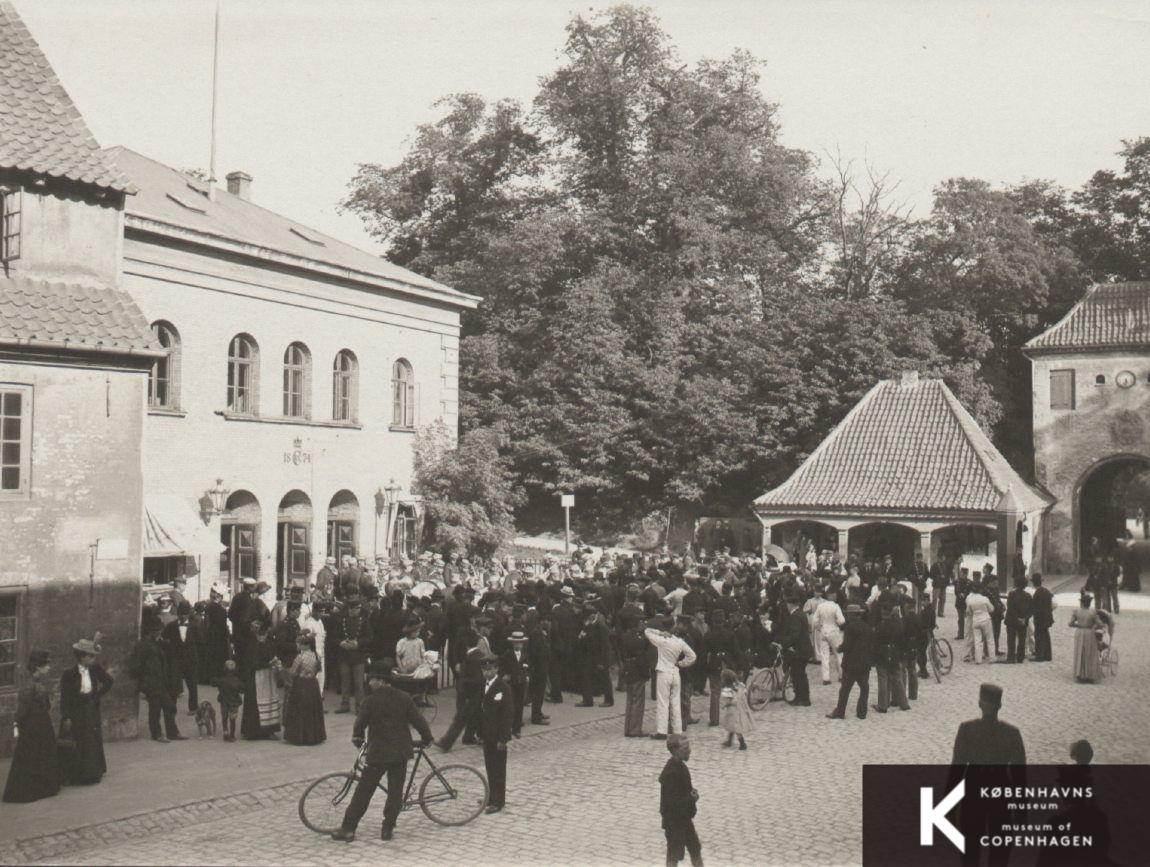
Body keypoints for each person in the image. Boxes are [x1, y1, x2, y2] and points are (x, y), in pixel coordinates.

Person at [330, 660, 434, 843]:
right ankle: (387, 829)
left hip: (378, 754)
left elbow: (359, 726)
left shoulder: (369, 701)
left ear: (380, 681)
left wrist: (358, 740)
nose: (369, 683)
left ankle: (348, 829)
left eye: (372, 680)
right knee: (395, 792)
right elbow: (418, 720)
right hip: (400, 752)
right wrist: (427, 738)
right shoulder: (404, 697)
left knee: (364, 791)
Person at [949, 683, 1026, 867]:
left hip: (974, 786)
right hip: (1000, 789)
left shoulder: (967, 729)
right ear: (1000, 705)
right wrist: (1021, 809)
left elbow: (957, 768)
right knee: (1000, 850)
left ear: (979, 704)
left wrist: (949, 804)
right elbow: (1019, 774)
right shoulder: (1011, 733)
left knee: (970, 848)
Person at [3, 651, 61, 803]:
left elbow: (45, 704)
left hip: (42, 723)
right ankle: (30, 790)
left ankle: (43, 788)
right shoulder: (28, 685)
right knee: (31, 755)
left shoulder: (38, 682)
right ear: (38, 667)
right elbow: (23, 709)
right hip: (32, 725)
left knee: (42, 754)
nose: (48, 668)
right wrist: (18, 723)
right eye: (46, 665)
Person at [59, 637, 114, 784]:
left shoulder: (95, 669)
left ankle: (93, 773)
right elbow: (65, 697)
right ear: (82, 656)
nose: (93, 659)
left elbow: (109, 682)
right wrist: (66, 717)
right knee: (78, 741)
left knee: (92, 741)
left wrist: (97, 696)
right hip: (76, 711)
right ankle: (77, 775)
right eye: (90, 656)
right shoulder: (69, 674)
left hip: (90, 709)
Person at [131, 624, 186, 743]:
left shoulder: (155, 643)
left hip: (159, 680)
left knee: (169, 706)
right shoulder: (143, 645)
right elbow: (137, 665)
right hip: (150, 681)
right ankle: (157, 734)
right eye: (158, 631)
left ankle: (171, 732)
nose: (160, 634)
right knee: (155, 708)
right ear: (151, 632)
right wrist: (142, 682)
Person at [645, 616, 697, 739]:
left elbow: (647, 631)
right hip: (675, 672)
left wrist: (659, 632)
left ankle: (662, 731)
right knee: (675, 702)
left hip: (664, 672)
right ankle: (677, 730)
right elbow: (693, 656)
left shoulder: (661, 640)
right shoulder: (679, 641)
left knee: (663, 702)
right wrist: (681, 664)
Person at [659, 735, 703, 867]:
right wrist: (692, 798)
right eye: (685, 748)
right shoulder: (671, 773)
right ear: (676, 750)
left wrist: (690, 793)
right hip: (674, 821)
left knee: (695, 848)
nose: (689, 750)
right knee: (674, 854)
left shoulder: (681, 767)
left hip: (683, 818)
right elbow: (672, 803)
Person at [479, 652, 514, 814]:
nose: (487, 673)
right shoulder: (484, 685)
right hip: (487, 735)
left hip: (498, 736)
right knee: (490, 767)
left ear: (497, 669)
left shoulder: (503, 688)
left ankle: (498, 801)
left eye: (491, 669)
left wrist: (504, 739)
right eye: (485, 670)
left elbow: (507, 715)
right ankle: (492, 796)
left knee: (499, 769)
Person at [827, 604, 873, 720]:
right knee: (864, 688)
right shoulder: (867, 627)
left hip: (851, 663)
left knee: (845, 689)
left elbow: (847, 645)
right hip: (864, 662)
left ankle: (840, 711)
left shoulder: (850, 627)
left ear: (851, 615)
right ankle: (862, 712)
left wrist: (839, 648)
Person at [240, 620, 282, 739]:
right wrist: (267, 663)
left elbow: (274, 654)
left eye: (264, 635)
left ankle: (269, 730)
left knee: (269, 702)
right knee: (254, 702)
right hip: (256, 677)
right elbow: (250, 662)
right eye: (261, 635)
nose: (263, 637)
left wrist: (275, 662)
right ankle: (252, 731)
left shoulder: (269, 642)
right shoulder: (251, 644)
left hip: (268, 677)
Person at [284, 632, 326, 746]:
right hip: (313, 684)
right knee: (312, 710)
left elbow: (292, 672)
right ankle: (314, 736)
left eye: (299, 644)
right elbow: (318, 670)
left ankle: (300, 737)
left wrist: (281, 669)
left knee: (300, 710)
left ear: (304, 645)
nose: (297, 646)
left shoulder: (300, 657)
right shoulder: (316, 655)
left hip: (301, 684)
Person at [332, 596, 372, 714]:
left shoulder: (364, 621)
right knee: (345, 681)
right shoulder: (341, 620)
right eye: (352, 609)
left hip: (358, 656)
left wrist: (358, 643)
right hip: (344, 655)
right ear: (349, 609)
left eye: (357, 609)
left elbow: (369, 637)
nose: (355, 611)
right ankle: (345, 704)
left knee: (359, 683)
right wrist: (340, 642)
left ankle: (359, 706)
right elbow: (334, 636)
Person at [161, 601, 201, 714]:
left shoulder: (194, 626)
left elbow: (200, 642)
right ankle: (172, 707)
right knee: (173, 685)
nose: (183, 616)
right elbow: (163, 639)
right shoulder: (171, 626)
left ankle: (193, 708)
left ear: (189, 614)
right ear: (177, 614)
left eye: (185, 614)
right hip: (175, 660)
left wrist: (196, 656)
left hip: (190, 660)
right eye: (181, 614)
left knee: (192, 684)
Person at [872, 603, 909, 713]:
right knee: (897, 678)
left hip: (882, 654)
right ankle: (904, 703)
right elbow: (901, 641)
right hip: (894, 653)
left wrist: (875, 656)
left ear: (883, 613)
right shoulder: (897, 625)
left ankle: (883, 705)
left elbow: (875, 643)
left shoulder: (879, 627)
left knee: (883, 679)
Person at [619, 611, 650, 737]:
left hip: (628, 668)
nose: (644, 624)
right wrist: (646, 673)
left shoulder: (626, 636)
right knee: (638, 700)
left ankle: (628, 728)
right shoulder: (640, 639)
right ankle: (635, 729)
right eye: (642, 622)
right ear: (638, 624)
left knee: (630, 699)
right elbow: (642, 657)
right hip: (637, 670)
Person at [779, 594, 812, 706]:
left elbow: (795, 635)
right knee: (800, 674)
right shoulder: (801, 614)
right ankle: (804, 698)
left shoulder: (795, 616)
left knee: (798, 675)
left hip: (799, 650)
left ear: (790, 604)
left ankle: (801, 698)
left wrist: (784, 644)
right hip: (805, 649)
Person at [499, 630, 530, 737]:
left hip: (521, 683)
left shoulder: (525, 655)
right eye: (516, 643)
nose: (519, 645)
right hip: (511, 683)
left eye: (521, 643)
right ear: (513, 643)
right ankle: (508, 727)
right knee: (510, 705)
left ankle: (517, 728)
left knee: (519, 705)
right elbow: (501, 668)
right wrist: (504, 675)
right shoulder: (507, 655)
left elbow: (528, 666)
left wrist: (527, 675)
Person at [812, 586, 845, 686]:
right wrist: (837, 623)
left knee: (824, 655)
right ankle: (841, 676)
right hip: (834, 631)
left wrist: (819, 628)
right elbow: (842, 621)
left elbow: (814, 620)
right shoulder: (836, 606)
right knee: (838, 655)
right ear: (832, 596)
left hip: (823, 631)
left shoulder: (820, 606)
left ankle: (826, 678)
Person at [1069, 593, 1104, 684]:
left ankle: (1080, 674)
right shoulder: (1092, 612)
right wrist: (1094, 626)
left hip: (1080, 632)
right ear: (1089, 603)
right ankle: (1090, 674)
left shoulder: (1076, 611)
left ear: (1082, 603)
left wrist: (1078, 625)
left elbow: (1070, 623)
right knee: (1090, 653)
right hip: (1089, 633)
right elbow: (1100, 624)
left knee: (1080, 652)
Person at [718, 669, 752, 750]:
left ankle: (742, 743)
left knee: (735, 727)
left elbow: (726, 701)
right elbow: (744, 693)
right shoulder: (740, 686)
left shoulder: (728, 690)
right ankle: (729, 740)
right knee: (732, 725)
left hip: (732, 710)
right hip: (740, 709)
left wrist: (724, 705)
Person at [212, 659, 244, 742]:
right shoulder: (237, 681)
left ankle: (225, 732)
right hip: (234, 703)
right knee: (232, 719)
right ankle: (232, 735)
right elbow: (242, 690)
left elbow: (213, 682)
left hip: (223, 702)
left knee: (224, 718)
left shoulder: (221, 680)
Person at [1004, 577, 1032, 664]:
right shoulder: (1028, 596)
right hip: (1023, 621)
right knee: (1022, 639)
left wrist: (1017, 618)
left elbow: (1010, 607)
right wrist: (1025, 618)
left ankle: (1011, 657)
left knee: (1011, 639)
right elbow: (1031, 610)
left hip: (1012, 620)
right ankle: (1020, 657)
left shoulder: (1011, 594)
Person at [964, 583, 993, 664]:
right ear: (980, 590)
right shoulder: (984, 598)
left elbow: (968, 611)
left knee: (977, 640)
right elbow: (991, 609)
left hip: (975, 620)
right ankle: (992, 657)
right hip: (985, 619)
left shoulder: (969, 598)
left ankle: (977, 659)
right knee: (989, 639)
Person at [1030, 574, 1054, 662]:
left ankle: (1039, 656)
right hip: (1047, 617)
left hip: (1040, 618)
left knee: (1039, 636)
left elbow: (1035, 607)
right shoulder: (1046, 591)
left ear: (1033, 583)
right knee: (1046, 636)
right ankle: (1048, 655)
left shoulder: (1037, 593)